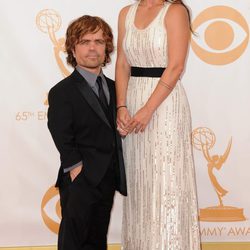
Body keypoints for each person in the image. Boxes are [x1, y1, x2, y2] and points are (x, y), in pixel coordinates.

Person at [115, 0, 200, 249]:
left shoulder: (174, 11)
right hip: (132, 101)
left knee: (166, 180)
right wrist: (121, 105)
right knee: (140, 181)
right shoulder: (125, 13)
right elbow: (122, 62)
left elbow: (176, 66)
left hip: (164, 105)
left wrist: (148, 109)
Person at [47, 15, 127, 250]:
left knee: (97, 240)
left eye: (99, 41)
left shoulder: (117, 88)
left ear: (107, 47)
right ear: (73, 47)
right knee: (73, 241)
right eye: (85, 41)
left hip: (108, 177)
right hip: (80, 178)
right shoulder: (62, 91)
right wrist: (76, 169)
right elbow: (61, 133)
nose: (93, 48)